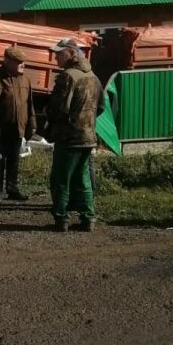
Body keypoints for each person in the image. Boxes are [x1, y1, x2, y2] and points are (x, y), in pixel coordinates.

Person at [45, 38, 105, 232]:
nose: (55, 58)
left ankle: (61, 218)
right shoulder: (94, 76)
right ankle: (88, 218)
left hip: (68, 137)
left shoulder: (67, 77)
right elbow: (102, 106)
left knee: (61, 179)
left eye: (59, 54)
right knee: (83, 178)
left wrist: (50, 118)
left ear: (71, 53)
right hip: (88, 137)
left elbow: (58, 108)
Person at [0, 46, 36, 201]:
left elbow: (29, 104)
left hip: (18, 128)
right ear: (7, 61)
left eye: (23, 62)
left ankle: (12, 188)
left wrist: (32, 124)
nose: (23, 65)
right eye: (19, 62)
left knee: (14, 160)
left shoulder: (25, 79)